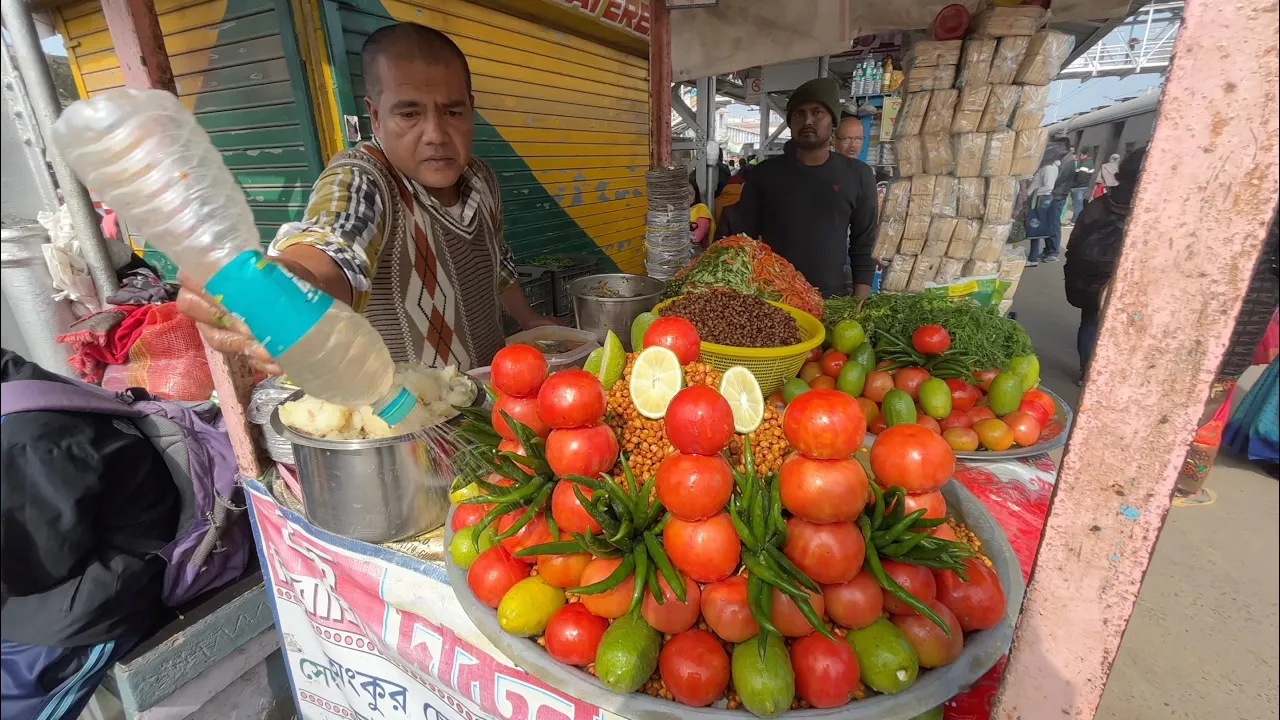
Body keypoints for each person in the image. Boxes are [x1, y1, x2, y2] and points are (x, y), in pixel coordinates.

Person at [178, 23, 556, 374]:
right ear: (375, 117)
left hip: (494, 397)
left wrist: (529, 320)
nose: (436, 134)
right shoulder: (363, 179)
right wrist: (294, 283)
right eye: (409, 113)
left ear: (470, 108)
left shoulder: (481, 177)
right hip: (411, 417)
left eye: (452, 111)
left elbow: (498, 263)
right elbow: (334, 243)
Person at [1, 350, 180, 719]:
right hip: (56, 566)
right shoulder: (15, 379)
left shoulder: (25, 436)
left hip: (90, 596)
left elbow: (40, 563)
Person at [732, 77, 879, 298]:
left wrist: (858, 304)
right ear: (790, 122)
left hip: (831, 300)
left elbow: (864, 244)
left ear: (833, 120)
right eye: (799, 113)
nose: (808, 120)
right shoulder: (764, 174)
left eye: (817, 112)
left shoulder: (858, 175)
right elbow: (743, 242)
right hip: (773, 299)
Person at [1064, 148, 1146, 384]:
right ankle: (1110, 375)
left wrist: (1074, 265)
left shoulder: (1100, 204)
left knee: (1090, 319)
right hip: (1128, 276)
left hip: (1093, 276)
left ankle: (1086, 372)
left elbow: (1076, 239)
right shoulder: (1152, 210)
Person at [1024, 158, 1060, 266]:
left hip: (1040, 199)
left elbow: (1049, 186)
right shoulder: (1050, 166)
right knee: (1035, 227)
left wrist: (1031, 193)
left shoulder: (1048, 167)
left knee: (1035, 227)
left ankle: (1033, 258)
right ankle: (1033, 257)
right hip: (1040, 198)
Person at [1043, 142, 1075, 262]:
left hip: (1058, 196)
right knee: (1049, 223)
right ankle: (1048, 249)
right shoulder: (1064, 160)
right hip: (1056, 194)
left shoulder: (1067, 162)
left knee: (1053, 223)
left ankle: (1053, 251)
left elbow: (1057, 179)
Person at [688, 181, 715, 250]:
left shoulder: (701, 208)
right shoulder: (674, 212)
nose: (686, 197)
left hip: (697, 249)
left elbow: (703, 228)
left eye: (690, 194)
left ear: (696, 195)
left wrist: (694, 237)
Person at [1070, 153, 1094, 224]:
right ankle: (1078, 220)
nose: (1080, 156)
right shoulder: (1090, 163)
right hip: (1084, 186)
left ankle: (1074, 221)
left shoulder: (1085, 164)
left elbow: (1081, 177)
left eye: (1081, 155)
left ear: (1085, 155)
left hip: (1079, 187)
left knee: (1078, 205)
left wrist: (1074, 186)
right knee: (1079, 205)